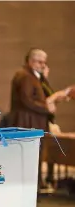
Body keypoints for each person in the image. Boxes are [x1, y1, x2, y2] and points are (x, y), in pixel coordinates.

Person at [7, 48, 70, 188]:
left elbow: (47, 94)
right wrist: (46, 108)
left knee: (35, 155)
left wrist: (45, 79)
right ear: (31, 61)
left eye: (44, 62)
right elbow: (27, 100)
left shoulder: (35, 77)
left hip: (34, 122)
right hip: (27, 123)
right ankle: (30, 184)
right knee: (28, 156)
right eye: (40, 62)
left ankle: (35, 183)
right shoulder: (25, 76)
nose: (43, 65)